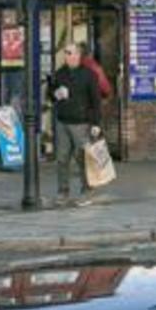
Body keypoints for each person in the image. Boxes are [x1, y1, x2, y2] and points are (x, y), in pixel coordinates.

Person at [50, 43, 103, 205]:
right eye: (66, 53)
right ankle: (63, 191)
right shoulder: (60, 74)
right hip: (63, 121)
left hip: (81, 122)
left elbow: (96, 100)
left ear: (78, 55)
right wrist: (56, 94)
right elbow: (51, 95)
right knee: (61, 158)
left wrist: (96, 123)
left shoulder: (89, 75)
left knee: (83, 158)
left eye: (70, 53)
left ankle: (87, 190)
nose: (67, 56)